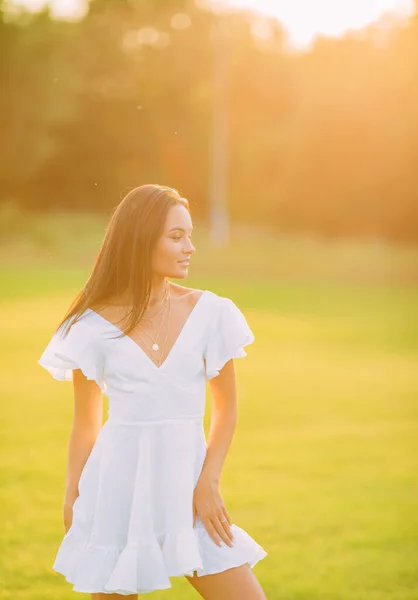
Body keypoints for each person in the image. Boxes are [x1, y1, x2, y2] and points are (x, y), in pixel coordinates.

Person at [38, 184, 268, 599]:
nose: (190, 248)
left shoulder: (211, 313)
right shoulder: (89, 329)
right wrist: (73, 495)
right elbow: (86, 425)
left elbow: (227, 409)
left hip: (192, 491)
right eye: (176, 236)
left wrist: (208, 483)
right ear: (141, 240)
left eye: (190, 235)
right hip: (117, 492)